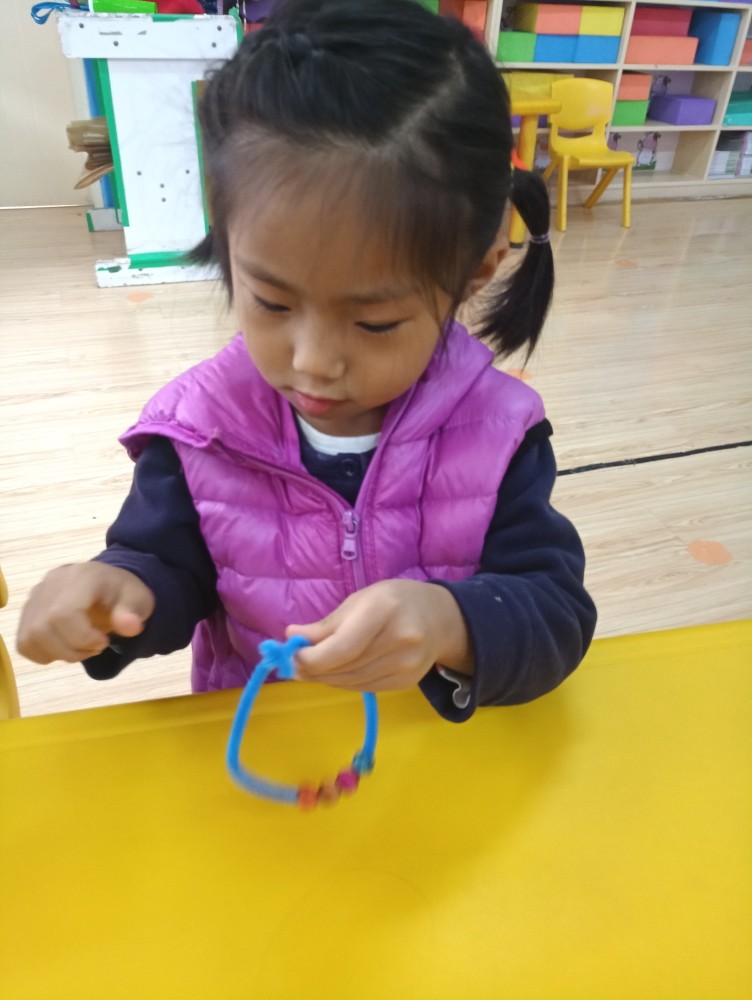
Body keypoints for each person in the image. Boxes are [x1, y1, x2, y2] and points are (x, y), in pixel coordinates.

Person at [18, 0, 596, 721]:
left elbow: (556, 614)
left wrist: (451, 622)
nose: (314, 363)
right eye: (272, 303)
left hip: (433, 753)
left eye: (374, 322)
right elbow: (168, 568)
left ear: (473, 275)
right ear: (228, 244)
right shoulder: (199, 430)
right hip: (264, 746)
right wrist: (116, 591)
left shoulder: (499, 432)